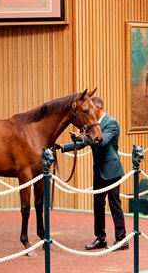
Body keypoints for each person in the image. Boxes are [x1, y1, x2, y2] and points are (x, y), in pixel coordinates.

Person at [55, 96, 128, 251]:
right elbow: (85, 142)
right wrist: (62, 146)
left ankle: (122, 240)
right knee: (98, 206)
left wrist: (82, 137)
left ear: (98, 107)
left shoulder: (112, 123)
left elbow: (100, 140)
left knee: (115, 205)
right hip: (99, 171)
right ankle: (100, 239)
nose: (90, 110)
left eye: (91, 107)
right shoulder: (93, 126)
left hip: (112, 170)